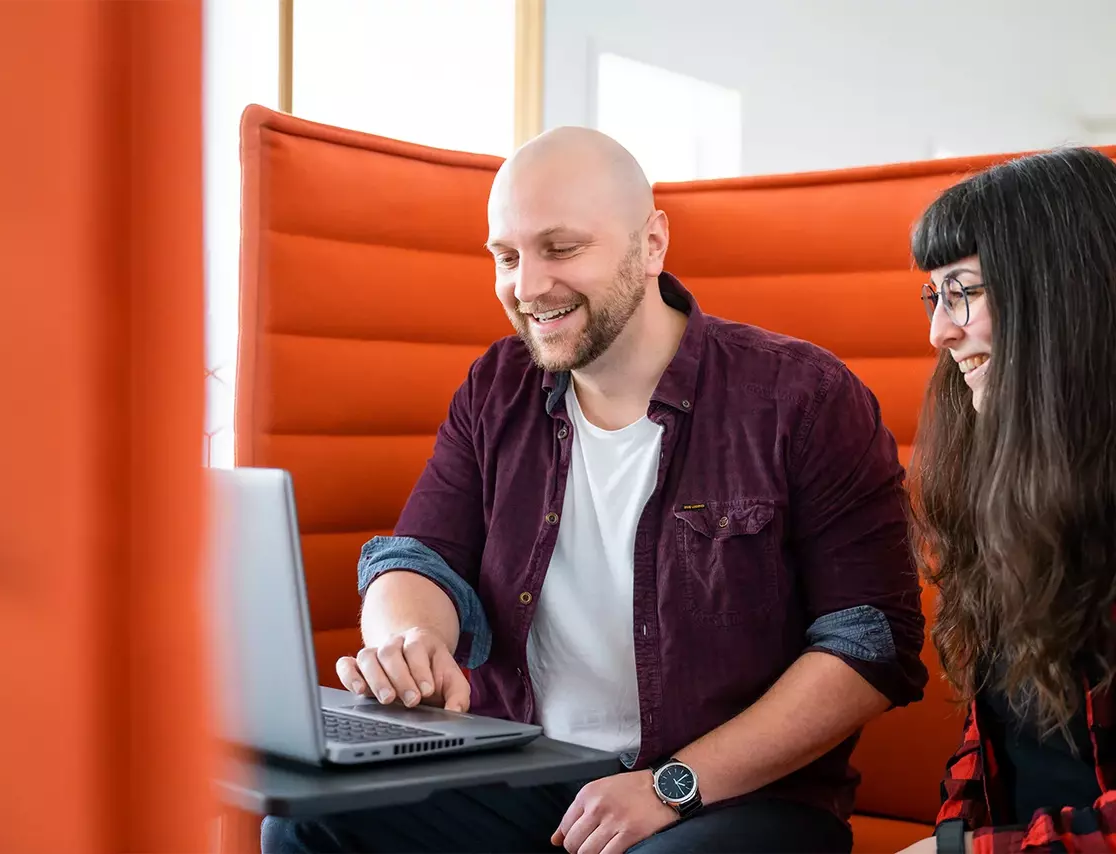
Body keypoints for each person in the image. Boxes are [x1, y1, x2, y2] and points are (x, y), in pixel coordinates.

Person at [262, 126, 928, 854]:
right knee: (305, 824)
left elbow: (872, 644)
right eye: (506, 257)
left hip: (729, 795)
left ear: (652, 245)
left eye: (562, 248)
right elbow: (417, 559)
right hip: (530, 772)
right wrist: (409, 638)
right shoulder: (497, 386)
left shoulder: (803, 397)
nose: (527, 286)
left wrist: (671, 785)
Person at [899, 146, 1116, 854]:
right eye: (934, 296)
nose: (940, 332)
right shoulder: (1010, 478)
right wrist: (954, 839)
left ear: (1059, 292)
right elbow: (991, 745)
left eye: (963, 291)